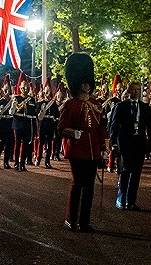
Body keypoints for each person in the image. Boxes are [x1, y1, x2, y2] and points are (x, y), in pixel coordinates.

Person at [57, 52, 107, 232]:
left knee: (90, 187)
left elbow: (102, 128)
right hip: (77, 150)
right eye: (84, 82)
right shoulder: (70, 105)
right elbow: (61, 128)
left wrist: (104, 148)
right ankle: (71, 219)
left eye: (88, 82)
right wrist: (73, 133)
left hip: (93, 149)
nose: (87, 85)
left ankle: (85, 221)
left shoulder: (96, 104)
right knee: (78, 184)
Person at [109, 81, 151, 210]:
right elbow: (114, 126)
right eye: (133, 90)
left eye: (137, 90)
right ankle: (121, 198)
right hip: (125, 143)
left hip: (139, 143)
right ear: (128, 91)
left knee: (136, 173)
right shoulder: (121, 106)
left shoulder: (145, 107)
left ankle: (131, 201)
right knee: (125, 171)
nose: (136, 92)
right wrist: (113, 143)